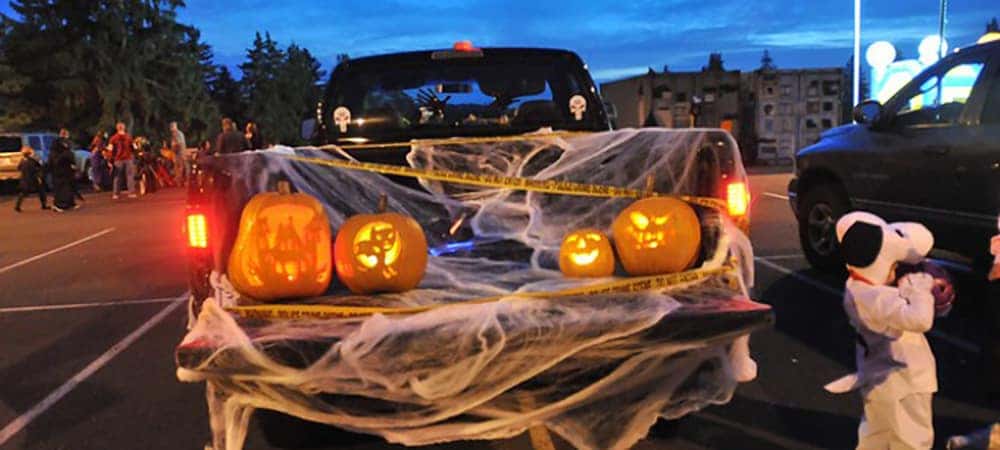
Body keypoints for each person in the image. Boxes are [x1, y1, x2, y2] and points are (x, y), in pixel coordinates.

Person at [825, 212, 937, 449]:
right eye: (893, 265)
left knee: (875, 436)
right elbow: (920, 320)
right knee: (911, 440)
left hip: (878, 380)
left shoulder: (856, 288)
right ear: (879, 264)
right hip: (906, 383)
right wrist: (920, 290)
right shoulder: (877, 298)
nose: (895, 272)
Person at [48, 133, 78, 211]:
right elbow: (54, 162)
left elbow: (70, 159)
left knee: (68, 189)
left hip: (66, 173)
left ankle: (68, 204)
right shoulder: (54, 153)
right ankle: (59, 205)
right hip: (58, 174)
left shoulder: (65, 151)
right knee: (61, 190)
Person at [13, 146, 48, 212]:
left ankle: (17, 206)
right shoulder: (32, 160)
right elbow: (38, 167)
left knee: (23, 193)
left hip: (25, 179)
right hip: (33, 178)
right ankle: (44, 205)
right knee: (41, 191)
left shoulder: (23, 160)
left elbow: (18, 168)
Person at [108, 122, 136, 199]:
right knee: (130, 176)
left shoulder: (113, 138)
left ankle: (116, 194)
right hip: (128, 158)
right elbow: (134, 148)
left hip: (118, 160)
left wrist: (110, 160)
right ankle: (131, 193)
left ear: (117, 128)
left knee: (117, 177)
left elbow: (110, 150)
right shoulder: (129, 137)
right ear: (124, 128)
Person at [57, 128, 84, 203]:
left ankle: (73, 198)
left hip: (65, 166)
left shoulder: (61, 143)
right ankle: (71, 199)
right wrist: (72, 164)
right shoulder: (63, 143)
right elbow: (67, 154)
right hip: (65, 167)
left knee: (70, 183)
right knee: (69, 183)